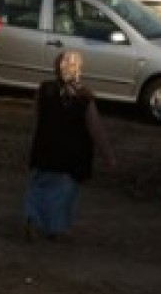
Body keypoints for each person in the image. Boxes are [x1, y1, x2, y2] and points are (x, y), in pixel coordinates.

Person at [23, 50, 117, 240]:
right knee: (63, 194)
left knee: (38, 187)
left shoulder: (44, 89)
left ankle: (33, 217)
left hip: (45, 149)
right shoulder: (84, 97)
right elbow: (95, 128)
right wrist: (108, 155)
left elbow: (37, 118)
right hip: (72, 155)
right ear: (79, 70)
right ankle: (55, 229)